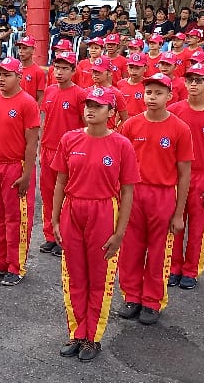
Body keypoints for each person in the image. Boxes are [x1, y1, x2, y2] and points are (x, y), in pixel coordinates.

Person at [52, 87, 138, 362]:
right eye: (88, 104)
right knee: (74, 275)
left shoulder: (122, 145)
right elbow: (60, 182)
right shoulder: (70, 139)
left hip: (103, 210)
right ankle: (77, 332)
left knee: (99, 277)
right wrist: (54, 218)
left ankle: (93, 337)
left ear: (111, 113)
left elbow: (127, 191)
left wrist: (120, 232)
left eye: (98, 106)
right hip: (73, 209)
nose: (90, 109)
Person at [115, 73, 192, 325]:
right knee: (131, 248)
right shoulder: (131, 126)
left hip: (162, 195)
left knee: (159, 251)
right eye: (149, 92)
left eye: (158, 93)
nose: (152, 97)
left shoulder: (180, 129)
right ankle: (132, 296)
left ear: (169, 96)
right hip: (134, 194)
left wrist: (179, 213)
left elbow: (183, 173)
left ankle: (152, 300)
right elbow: (121, 165)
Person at [0, 58, 41, 286]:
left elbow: (32, 143)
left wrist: (26, 174)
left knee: (17, 219)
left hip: (16, 166)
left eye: (7, 75)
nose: (1, 79)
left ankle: (16, 265)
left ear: (19, 77)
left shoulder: (27, 103)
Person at [168, 64, 204, 291]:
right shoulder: (175, 110)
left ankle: (191, 269)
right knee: (175, 222)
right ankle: (174, 266)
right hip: (177, 175)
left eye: (199, 80)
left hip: (202, 175)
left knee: (197, 225)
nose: (194, 84)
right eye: (190, 79)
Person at [38, 52, 88, 257]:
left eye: (64, 68)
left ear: (73, 71)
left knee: (67, 196)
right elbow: (45, 120)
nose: (59, 72)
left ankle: (65, 237)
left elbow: (86, 125)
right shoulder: (49, 91)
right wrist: (41, 145)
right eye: (56, 68)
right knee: (48, 195)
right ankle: (51, 235)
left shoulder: (80, 95)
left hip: (70, 152)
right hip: (49, 149)